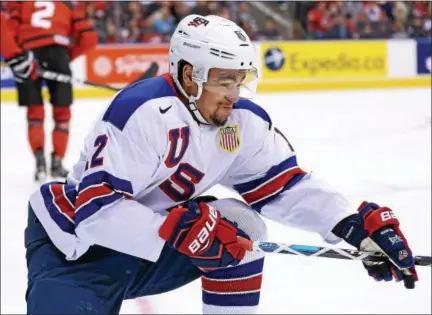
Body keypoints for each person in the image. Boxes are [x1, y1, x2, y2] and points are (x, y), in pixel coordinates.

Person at [25, 14, 418, 315]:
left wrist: (351, 226)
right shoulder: (143, 113)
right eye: (222, 80)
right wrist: (175, 227)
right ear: (187, 75)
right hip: (75, 249)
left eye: (239, 80)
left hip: (157, 245)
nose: (233, 94)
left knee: (239, 228)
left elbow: (285, 187)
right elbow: (97, 210)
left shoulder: (242, 122)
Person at [4, 2, 98, 181]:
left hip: (27, 53)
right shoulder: (67, 4)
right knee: (62, 114)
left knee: (34, 113)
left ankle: (39, 161)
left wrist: (18, 53)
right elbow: (89, 38)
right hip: (57, 52)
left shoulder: (22, 3)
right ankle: (57, 162)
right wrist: (68, 56)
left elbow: (10, 28)